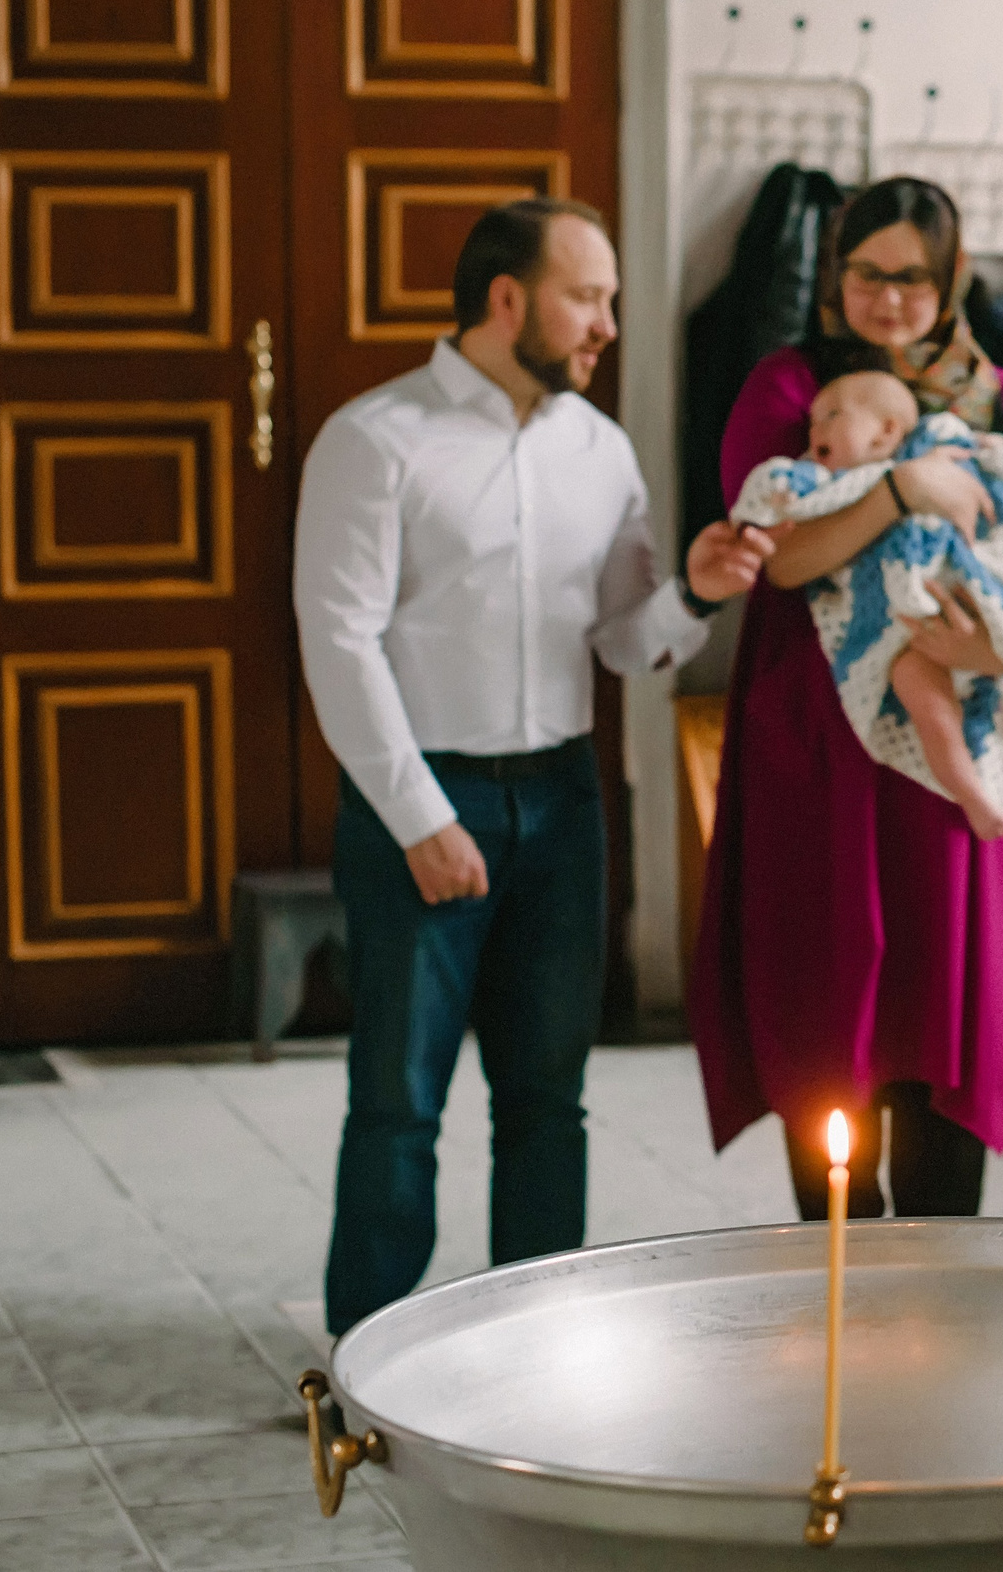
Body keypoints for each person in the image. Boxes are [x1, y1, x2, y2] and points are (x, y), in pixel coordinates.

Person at [298, 198, 774, 1334]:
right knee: (399, 1100)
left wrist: (696, 591)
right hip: (421, 794)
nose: (607, 322)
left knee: (548, 1099)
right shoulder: (374, 438)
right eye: (588, 295)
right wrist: (419, 815)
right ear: (508, 300)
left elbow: (621, 637)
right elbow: (336, 636)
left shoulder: (598, 448)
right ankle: (366, 1349)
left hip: (563, 803)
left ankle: (536, 1340)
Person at [688, 177, 1003, 1221]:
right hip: (818, 761)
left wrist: (985, 643)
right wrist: (902, 491)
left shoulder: (1002, 401)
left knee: (944, 1026)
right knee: (828, 1021)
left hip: (958, 767)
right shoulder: (790, 387)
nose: (888, 297)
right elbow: (779, 552)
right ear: (835, 275)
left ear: (950, 279)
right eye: (865, 272)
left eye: (912, 275)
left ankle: (942, 1299)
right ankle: (840, 1301)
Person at [729, 369, 1003, 840]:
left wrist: (993, 654)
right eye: (813, 423)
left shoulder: (979, 416)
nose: (815, 431)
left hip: (966, 609)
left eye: (831, 418)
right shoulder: (811, 454)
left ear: (887, 430)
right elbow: (771, 545)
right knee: (927, 701)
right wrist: (899, 490)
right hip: (887, 650)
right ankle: (971, 789)